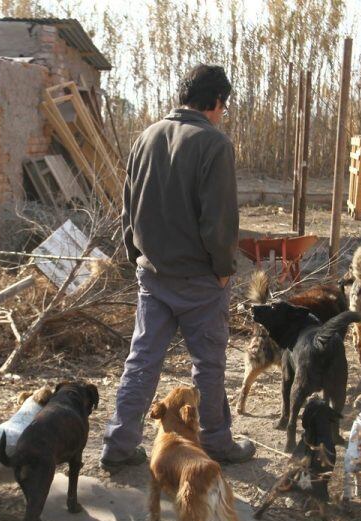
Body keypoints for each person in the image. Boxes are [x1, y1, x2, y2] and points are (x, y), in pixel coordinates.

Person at [100, 64, 255, 470]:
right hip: (201, 279)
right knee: (208, 365)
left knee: (141, 361)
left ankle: (118, 446)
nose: (223, 113)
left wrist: (136, 257)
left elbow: (128, 207)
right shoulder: (213, 143)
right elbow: (219, 219)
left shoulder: (146, 137)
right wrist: (223, 269)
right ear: (217, 101)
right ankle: (218, 443)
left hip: (153, 275)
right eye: (224, 106)